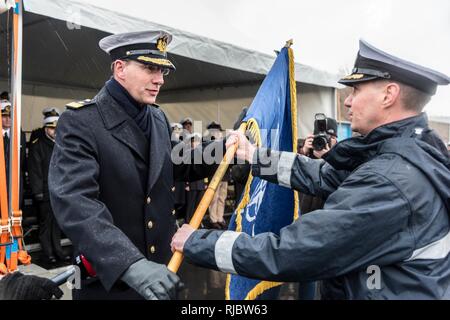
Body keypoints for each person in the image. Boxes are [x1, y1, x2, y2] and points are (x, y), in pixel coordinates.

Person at [171, 39, 450, 299]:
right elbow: (324, 176)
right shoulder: (408, 150)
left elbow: (295, 251)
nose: (348, 101)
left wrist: (199, 243)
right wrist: (254, 155)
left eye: (356, 90)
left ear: (389, 94)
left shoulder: (391, 179)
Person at [48, 30, 221, 300]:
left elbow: (178, 162)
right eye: (150, 68)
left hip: (163, 271)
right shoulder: (82, 121)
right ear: (120, 68)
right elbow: (75, 201)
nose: (159, 80)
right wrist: (130, 264)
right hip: (113, 281)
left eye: (163, 71)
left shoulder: (156, 117)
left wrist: (224, 149)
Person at [28, 111, 69, 264]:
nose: (54, 131)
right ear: (46, 128)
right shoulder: (38, 145)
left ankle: (58, 251)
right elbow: (34, 170)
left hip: (58, 191)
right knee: (45, 224)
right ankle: (48, 253)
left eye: (56, 129)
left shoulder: (61, 144)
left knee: (57, 223)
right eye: (52, 128)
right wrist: (38, 192)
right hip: (45, 192)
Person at [1, 99, 26, 204]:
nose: (8, 120)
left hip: (14, 183)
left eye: (10, 116)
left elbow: (22, 159)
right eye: (4, 116)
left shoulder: (20, 135)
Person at [205, 121, 228, 229]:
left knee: (222, 197)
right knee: (214, 197)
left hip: (224, 174)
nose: (219, 133)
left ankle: (220, 217)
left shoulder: (224, 144)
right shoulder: (209, 145)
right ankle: (213, 219)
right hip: (214, 174)